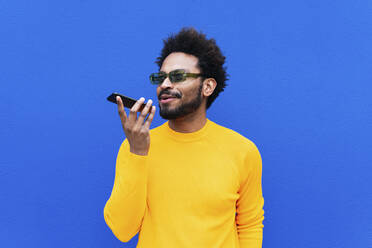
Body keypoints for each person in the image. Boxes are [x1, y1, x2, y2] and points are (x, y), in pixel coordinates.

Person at [103, 27, 265, 248]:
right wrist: (138, 153)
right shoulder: (135, 147)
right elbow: (122, 230)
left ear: (207, 86)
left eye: (178, 76)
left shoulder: (242, 151)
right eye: (161, 77)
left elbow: (249, 225)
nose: (165, 85)